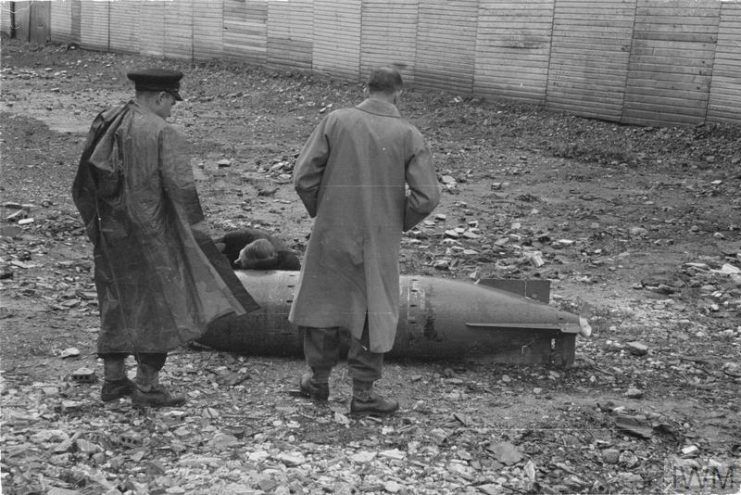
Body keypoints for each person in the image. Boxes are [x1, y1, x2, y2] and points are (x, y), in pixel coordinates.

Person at [72, 68, 259, 407]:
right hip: (153, 235)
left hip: (112, 233)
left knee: (115, 300)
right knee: (159, 307)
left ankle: (114, 380)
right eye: (172, 101)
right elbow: (180, 192)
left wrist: (95, 227)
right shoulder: (163, 132)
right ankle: (147, 387)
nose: (173, 108)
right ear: (160, 97)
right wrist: (195, 240)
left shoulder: (108, 119)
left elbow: (84, 181)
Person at [289, 66, 440, 417]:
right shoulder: (409, 134)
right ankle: (363, 395)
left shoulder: (335, 121)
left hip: (332, 231)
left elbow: (303, 177)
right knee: (374, 310)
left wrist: (322, 210)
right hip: (378, 239)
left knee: (321, 303)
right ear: (398, 93)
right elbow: (427, 197)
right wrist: (395, 222)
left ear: (367, 88)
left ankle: (318, 381)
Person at [215, 228, 301, 270]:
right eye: (241, 258)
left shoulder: (289, 263)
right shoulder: (242, 237)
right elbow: (208, 247)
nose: (236, 261)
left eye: (243, 263)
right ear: (247, 245)